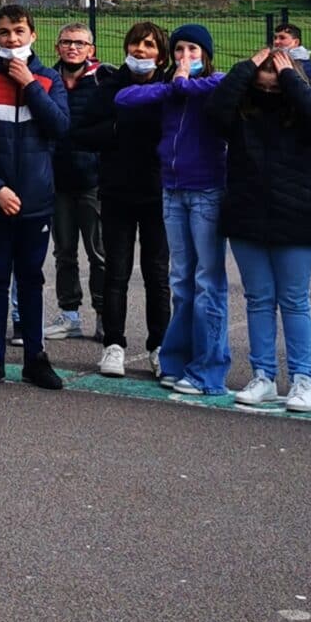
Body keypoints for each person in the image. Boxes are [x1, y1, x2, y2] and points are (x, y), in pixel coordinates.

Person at [214, 41, 311, 410]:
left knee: (294, 300)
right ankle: (263, 375)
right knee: (258, 299)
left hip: (295, 215)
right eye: (261, 77)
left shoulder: (304, 115)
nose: (268, 84)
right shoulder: (240, 113)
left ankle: (302, 379)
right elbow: (214, 110)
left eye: (275, 78)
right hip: (247, 214)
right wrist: (246, 67)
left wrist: (290, 77)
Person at [0, 5, 70, 391]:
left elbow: (60, 126)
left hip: (36, 200)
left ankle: (35, 358)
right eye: (4, 32)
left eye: (19, 31)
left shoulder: (49, 79)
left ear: (33, 35)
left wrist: (29, 85)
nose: (12, 39)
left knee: (31, 280)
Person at [113, 24, 228, 394]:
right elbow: (125, 97)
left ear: (206, 54)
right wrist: (173, 85)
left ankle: (209, 371)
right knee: (181, 281)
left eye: (193, 50)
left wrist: (184, 83)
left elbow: (220, 86)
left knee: (208, 281)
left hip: (206, 191)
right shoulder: (169, 89)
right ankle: (175, 360)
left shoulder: (215, 83)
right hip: (172, 190)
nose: (185, 57)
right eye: (179, 50)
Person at [88, 20, 170, 376]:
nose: (141, 50)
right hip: (117, 190)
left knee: (157, 274)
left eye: (149, 45)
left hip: (158, 192)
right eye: (136, 43)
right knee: (116, 272)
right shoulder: (109, 87)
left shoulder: (170, 88)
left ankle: (160, 346)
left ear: (161, 56)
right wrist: (116, 130)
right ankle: (114, 344)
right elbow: (81, 132)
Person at [48, 22, 108, 339]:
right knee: (64, 252)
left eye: (80, 43)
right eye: (67, 42)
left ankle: (103, 314)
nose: (73, 47)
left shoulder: (103, 81)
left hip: (93, 182)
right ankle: (69, 314)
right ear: (57, 46)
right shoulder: (46, 80)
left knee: (99, 253)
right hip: (57, 181)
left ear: (91, 49)